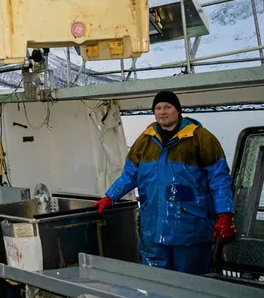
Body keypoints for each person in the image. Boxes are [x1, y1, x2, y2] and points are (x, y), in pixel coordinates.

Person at [93, 90, 236, 275]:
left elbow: (219, 179)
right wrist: (109, 197)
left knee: (189, 282)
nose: (162, 112)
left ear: (178, 110)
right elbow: (130, 175)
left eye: (167, 107)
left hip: (190, 229)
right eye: (158, 108)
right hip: (153, 226)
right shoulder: (145, 141)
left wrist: (225, 215)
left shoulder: (201, 138)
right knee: (154, 282)